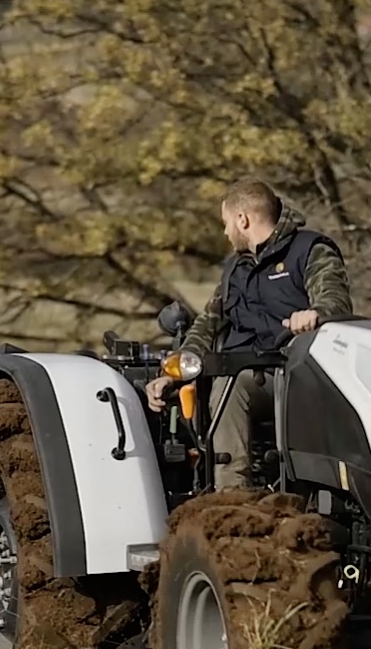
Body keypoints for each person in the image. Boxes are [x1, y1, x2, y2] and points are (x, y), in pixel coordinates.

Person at [144, 178, 353, 491]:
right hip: (241, 372)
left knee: (233, 384)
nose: (226, 232)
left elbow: (335, 300)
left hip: (293, 376)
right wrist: (171, 373)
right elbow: (207, 324)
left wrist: (314, 314)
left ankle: (231, 497)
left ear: (242, 219)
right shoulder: (235, 270)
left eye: (226, 223)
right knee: (198, 392)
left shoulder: (310, 250)